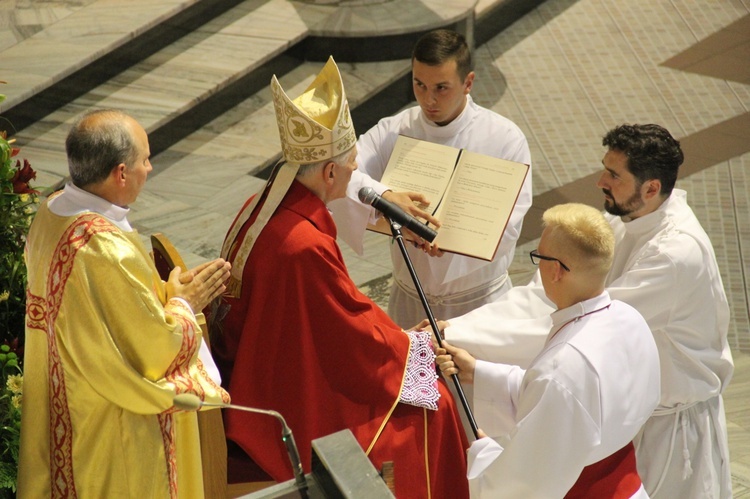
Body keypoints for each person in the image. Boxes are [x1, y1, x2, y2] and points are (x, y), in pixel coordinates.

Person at [211, 57, 469, 498]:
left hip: (257, 361)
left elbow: (337, 311)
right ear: (329, 172)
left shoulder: (268, 203)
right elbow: (347, 334)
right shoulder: (302, 244)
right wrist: (412, 345)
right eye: (351, 165)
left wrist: (398, 338)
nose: (355, 175)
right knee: (434, 410)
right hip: (279, 396)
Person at [444, 123, 734, 498]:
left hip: (671, 429)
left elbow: (578, 329)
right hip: (622, 419)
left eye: (614, 175)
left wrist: (458, 339)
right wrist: (454, 328)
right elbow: (545, 296)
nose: (601, 181)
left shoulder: (675, 254)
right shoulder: (622, 220)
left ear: (651, 188)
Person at [18, 109, 232, 498]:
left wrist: (166, 294)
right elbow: (150, 351)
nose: (149, 168)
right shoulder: (105, 247)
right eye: (145, 160)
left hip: (65, 396)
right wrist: (186, 306)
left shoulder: (51, 212)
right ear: (120, 173)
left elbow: (104, 313)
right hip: (109, 423)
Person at [436, 203, 660, 497]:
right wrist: (480, 373)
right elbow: (574, 403)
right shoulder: (628, 318)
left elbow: (522, 486)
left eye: (537, 257)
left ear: (555, 271)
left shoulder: (563, 368)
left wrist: (484, 454)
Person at [329, 28, 532, 327]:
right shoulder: (394, 130)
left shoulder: (504, 138)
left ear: (468, 82)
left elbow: (509, 224)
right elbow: (341, 175)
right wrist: (385, 198)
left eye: (441, 88)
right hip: (410, 298)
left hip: (478, 304)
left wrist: (453, 241)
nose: (428, 99)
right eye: (419, 84)